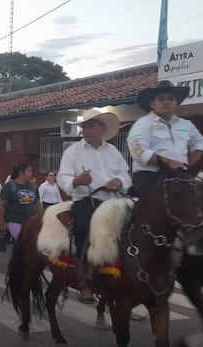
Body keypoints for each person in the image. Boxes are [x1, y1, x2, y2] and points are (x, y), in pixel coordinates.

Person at [57, 108, 132, 304]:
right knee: (83, 226)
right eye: (84, 127)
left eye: (91, 126)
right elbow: (62, 178)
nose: (86, 130)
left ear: (102, 128)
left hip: (114, 200)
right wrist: (76, 181)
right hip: (86, 200)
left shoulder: (113, 151)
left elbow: (125, 175)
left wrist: (119, 182)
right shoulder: (73, 152)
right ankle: (85, 280)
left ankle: (131, 275)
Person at [128, 80, 203, 197]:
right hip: (150, 176)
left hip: (182, 175)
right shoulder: (142, 124)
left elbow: (200, 143)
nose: (166, 102)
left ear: (176, 103)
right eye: (161, 99)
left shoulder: (186, 124)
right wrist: (170, 163)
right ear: (152, 104)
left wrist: (191, 166)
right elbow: (139, 151)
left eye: (170, 99)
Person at [0, 163, 41, 242]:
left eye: (31, 171)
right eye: (28, 171)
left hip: (31, 222)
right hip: (14, 222)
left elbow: (37, 203)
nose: (31, 173)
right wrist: (1, 222)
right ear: (21, 172)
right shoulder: (10, 186)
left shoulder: (33, 186)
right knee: (23, 241)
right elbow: (1, 205)